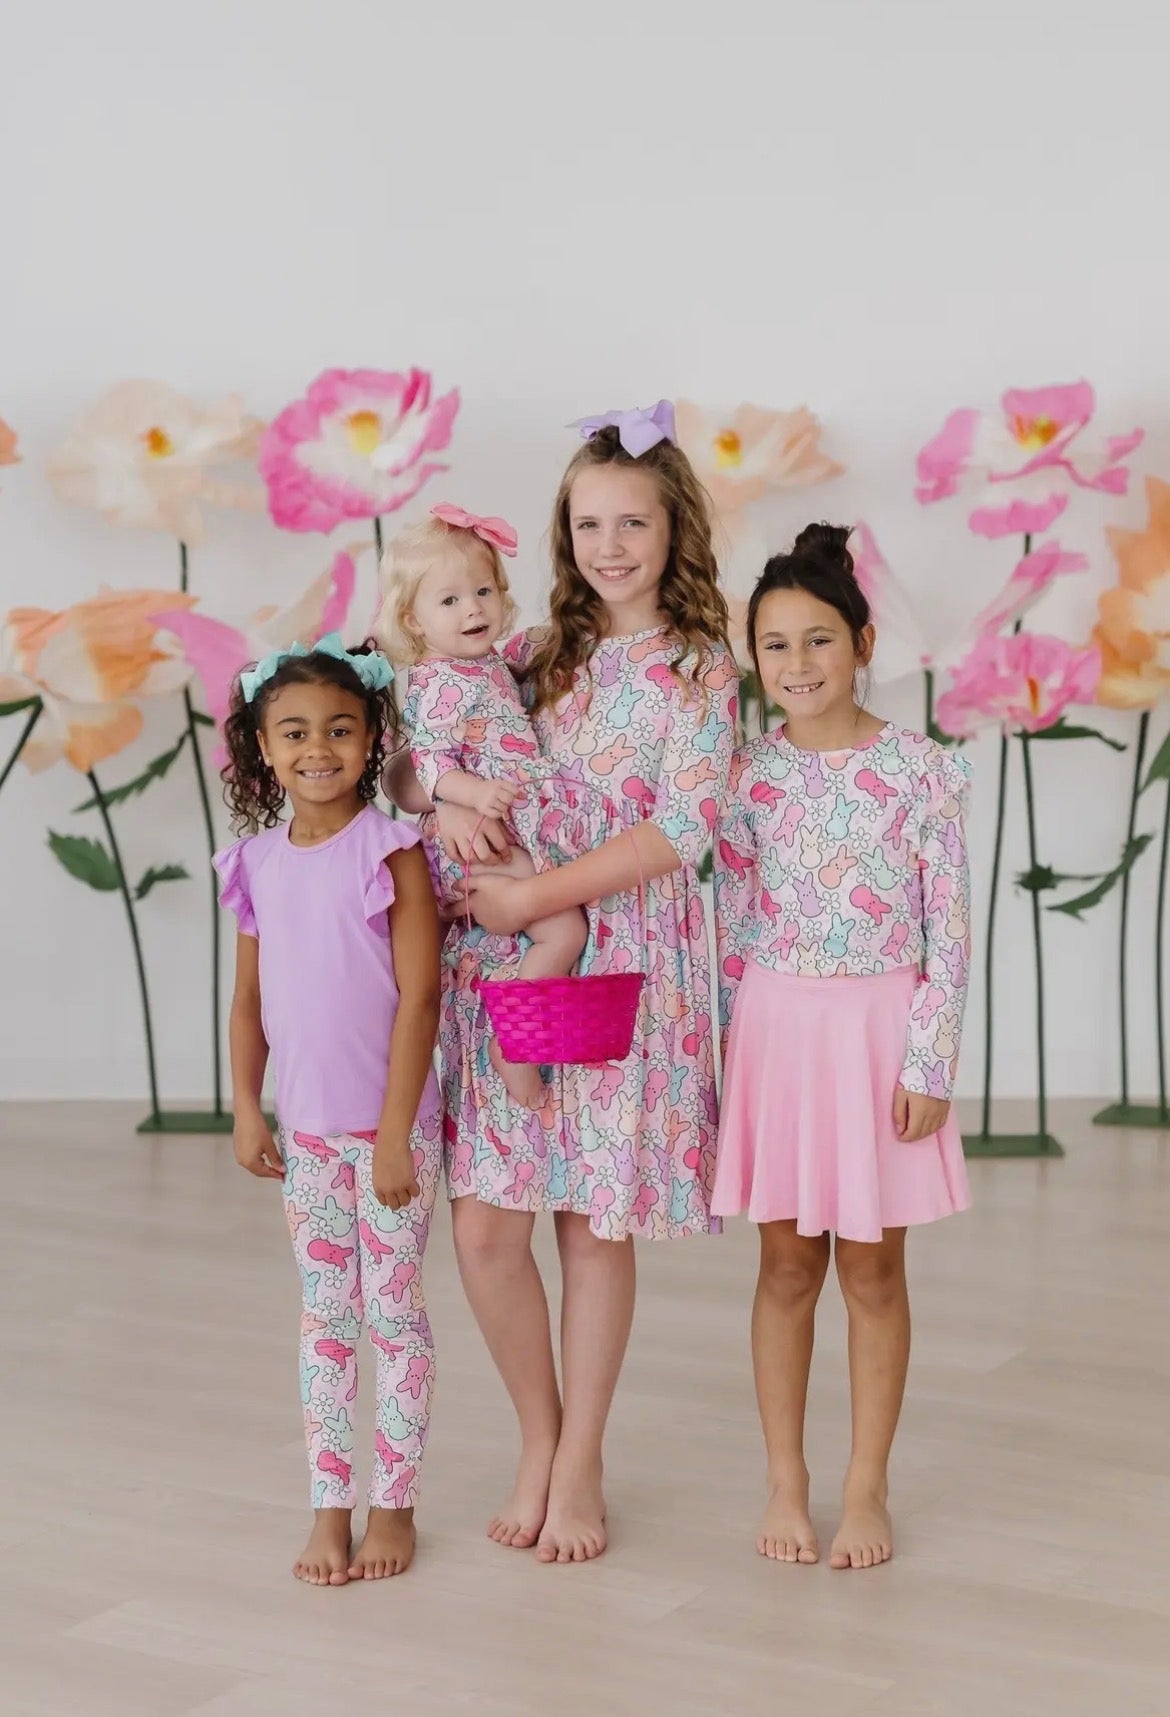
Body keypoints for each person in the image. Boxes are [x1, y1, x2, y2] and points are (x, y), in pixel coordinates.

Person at [389, 402, 737, 1563]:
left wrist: (543, 900)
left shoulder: (700, 665)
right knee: (487, 1227)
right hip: (502, 955)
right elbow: (408, 753)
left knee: (591, 1220)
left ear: (674, 526)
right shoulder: (534, 650)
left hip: (617, 953)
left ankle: (581, 1456)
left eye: (633, 520)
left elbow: (682, 827)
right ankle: (536, 1435)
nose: (610, 545)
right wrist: (441, 796)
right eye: (588, 522)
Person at [712, 524, 971, 1571]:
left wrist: (929, 1061)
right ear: (754, 657)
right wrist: (728, 1069)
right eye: (775, 645)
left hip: (880, 1032)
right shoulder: (746, 778)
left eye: (819, 641)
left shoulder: (920, 770)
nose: (799, 666)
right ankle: (788, 1478)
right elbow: (731, 924)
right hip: (778, 1034)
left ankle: (867, 1483)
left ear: (862, 643)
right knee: (784, 1266)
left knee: (872, 1267)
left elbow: (946, 923)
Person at [215, 633, 442, 1586]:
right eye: (296, 732)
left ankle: (395, 1505)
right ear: (262, 748)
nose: (320, 748)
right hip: (306, 1134)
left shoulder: (391, 853)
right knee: (324, 1319)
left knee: (393, 1315)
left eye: (341, 730)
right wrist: (245, 1106)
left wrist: (395, 1130)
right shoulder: (256, 864)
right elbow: (249, 1001)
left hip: (390, 1132)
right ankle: (329, 1506)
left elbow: (422, 997)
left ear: (370, 738)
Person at [376, 503, 617, 1109]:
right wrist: (470, 795)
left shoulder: (484, 667)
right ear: (414, 618)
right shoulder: (435, 681)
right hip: (486, 835)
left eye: (483, 591)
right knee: (563, 930)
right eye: (450, 601)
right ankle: (515, 1045)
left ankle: (524, 1035)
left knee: (567, 929)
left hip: (505, 828)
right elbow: (429, 761)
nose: (474, 609)